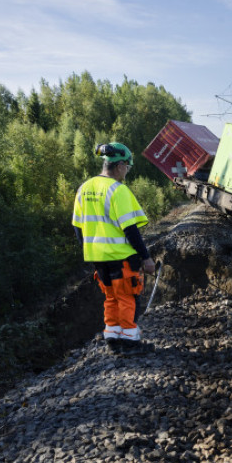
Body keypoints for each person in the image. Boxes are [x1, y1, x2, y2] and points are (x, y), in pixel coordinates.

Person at [72, 143, 157, 353]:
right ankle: (129, 342)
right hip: (120, 257)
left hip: (97, 258)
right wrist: (145, 258)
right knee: (128, 296)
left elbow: (77, 227)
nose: (127, 171)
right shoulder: (117, 190)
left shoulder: (84, 188)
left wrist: (89, 251)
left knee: (111, 297)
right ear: (119, 165)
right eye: (127, 166)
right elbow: (131, 229)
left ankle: (112, 336)